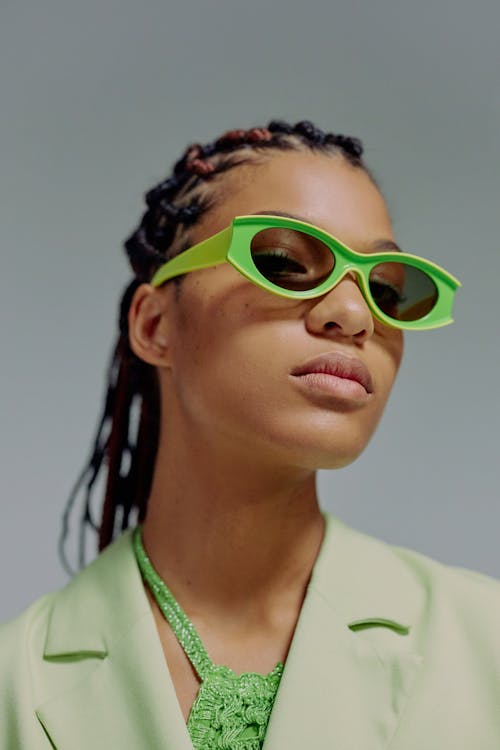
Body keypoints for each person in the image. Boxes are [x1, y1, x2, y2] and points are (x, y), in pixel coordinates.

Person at [1, 119, 499, 750]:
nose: (353, 315)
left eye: (387, 291)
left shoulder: (487, 645)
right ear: (155, 324)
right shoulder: (12, 684)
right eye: (285, 262)